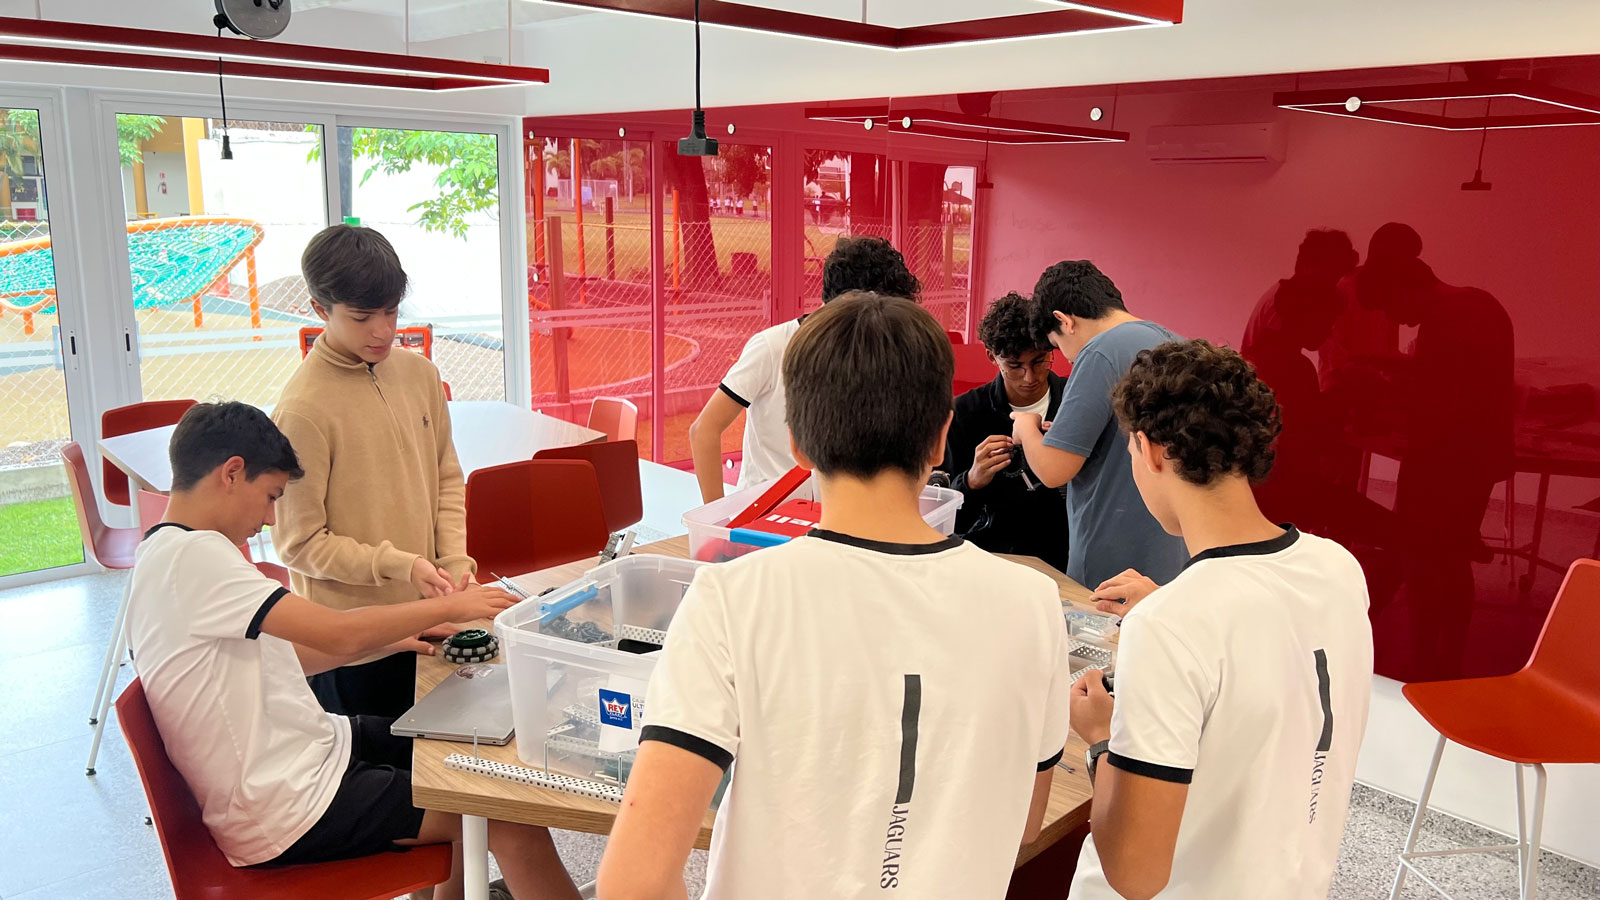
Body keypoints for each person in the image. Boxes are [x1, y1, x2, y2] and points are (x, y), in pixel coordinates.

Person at [597, 293, 1073, 900]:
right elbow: (1023, 823)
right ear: (940, 441)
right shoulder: (1033, 604)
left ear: (798, 445)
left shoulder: (731, 601)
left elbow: (632, 884)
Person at [126, 402, 578, 899]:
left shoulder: (160, 551)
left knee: (457, 750)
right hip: (288, 805)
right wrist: (459, 605)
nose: (270, 517)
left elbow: (286, 655)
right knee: (507, 813)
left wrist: (389, 639)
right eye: (270, 496)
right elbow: (336, 633)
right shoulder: (197, 556)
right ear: (232, 473)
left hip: (307, 757)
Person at [1067, 340, 1374, 900]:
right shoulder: (1338, 567)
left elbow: (1135, 874)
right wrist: (1172, 604)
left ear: (1152, 450)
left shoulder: (1171, 626)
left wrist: (1100, 739)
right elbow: (1266, 650)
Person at [272, 224, 472, 718]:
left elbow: (446, 476)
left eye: (391, 311)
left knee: (443, 772)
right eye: (362, 317)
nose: (383, 330)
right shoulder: (302, 410)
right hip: (355, 645)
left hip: (432, 614)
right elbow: (298, 544)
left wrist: (455, 560)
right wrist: (400, 565)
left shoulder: (420, 375)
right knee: (390, 784)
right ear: (320, 310)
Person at [1355, 227, 1514, 681]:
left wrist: (1387, 394)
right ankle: (1444, 658)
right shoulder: (1477, 304)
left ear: (1405, 286)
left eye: (1391, 307)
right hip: (1470, 460)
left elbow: (1443, 403)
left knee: (1427, 563)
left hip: (1446, 462)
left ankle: (1428, 662)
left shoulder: (1450, 317)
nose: (1398, 320)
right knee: (1450, 559)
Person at [688, 235, 922, 502]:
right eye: (879, 314)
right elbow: (704, 430)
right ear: (848, 303)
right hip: (765, 515)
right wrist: (717, 521)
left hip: (836, 517)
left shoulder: (871, 356)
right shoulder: (772, 346)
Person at [1010, 260, 1188, 588]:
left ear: (1064, 320)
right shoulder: (1180, 346)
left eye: (1058, 346)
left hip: (1111, 563)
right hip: (1174, 559)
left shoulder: (1099, 353)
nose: (1068, 359)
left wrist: (1025, 427)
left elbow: (1053, 470)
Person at [941, 291, 1070, 571]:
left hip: (1067, 561)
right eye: (1014, 366)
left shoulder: (1075, 402)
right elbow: (945, 520)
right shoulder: (964, 414)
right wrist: (972, 480)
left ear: (1051, 349)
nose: (1030, 377)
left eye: (1039, 361)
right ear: (992, 357)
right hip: (993, 562)